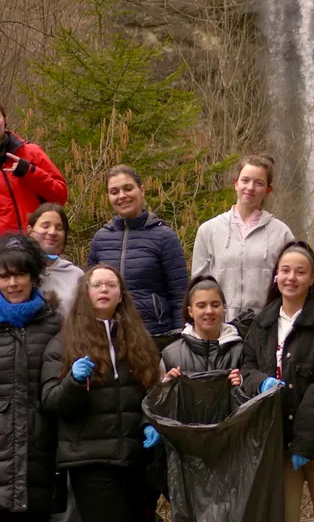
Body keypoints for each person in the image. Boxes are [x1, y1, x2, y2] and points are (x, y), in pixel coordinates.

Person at [41, 264, 162, 522]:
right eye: (96, 285)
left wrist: (149, 422)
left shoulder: (139, 339)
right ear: (85, 293)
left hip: (136, 457)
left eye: (111, 285)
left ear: (121, 295)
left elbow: (153, 391)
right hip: (90, 461)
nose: (104, 290)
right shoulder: (63, 342)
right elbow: (51, 401)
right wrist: (73, 382)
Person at [241, 241, 314, 522]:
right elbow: (246, 367)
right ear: (276, 275)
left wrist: (305, 443)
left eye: (300, 272)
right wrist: (260, 382)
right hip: (278, 439)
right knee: (284, 515)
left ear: (312, 279)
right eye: (285, 270)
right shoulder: (262, 323)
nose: (291, 278)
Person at [0, 235, 62, 521]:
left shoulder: (54, 323)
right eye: (4, 277)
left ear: (34, 277)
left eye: (20, 275)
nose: (13, 283)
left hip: (41, 450)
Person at [88, 165, 189, 335]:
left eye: (128, 188)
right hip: (110, 334)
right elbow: (89, 291)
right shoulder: (100, 239)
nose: (122, 196)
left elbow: (180, 293)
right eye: (114, 192)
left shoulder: (164, 236)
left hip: (155, 334)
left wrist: (181, 334)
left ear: (141, 190)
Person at [192, 155, 294, 321]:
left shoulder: (281, 233)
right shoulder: (209, 230)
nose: (250, 187)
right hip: (220, 325)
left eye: (259, 183)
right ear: (236, 183)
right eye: (245, 180)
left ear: (268, 190)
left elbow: (292, 284)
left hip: (266, 324)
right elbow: (198, 286)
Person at [159, 275, 243, 384]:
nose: (209, 311)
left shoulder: (241, 351)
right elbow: (157, 394)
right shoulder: (170, 355)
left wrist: (242, 384)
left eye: (215, 305)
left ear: (224, 308)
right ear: (190, 311)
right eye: (201, 306)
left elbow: (253, 389)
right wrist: (166, 387)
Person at [0, 101, 67, 234]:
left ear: (5, 120)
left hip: (37, 241)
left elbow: (60, 197)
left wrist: (30, 172)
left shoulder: (31, 152)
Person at [27, 203, 83, 318]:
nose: (52, 232)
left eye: (59, 228)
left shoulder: (76, 275)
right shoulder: (15, 270)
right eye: (45, 226)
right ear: (30, 230)